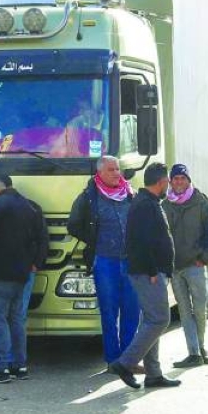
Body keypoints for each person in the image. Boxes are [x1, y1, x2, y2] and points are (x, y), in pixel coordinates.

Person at [107, 163, 180, 390]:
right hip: (148, 272)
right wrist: (151, 271)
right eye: (167, 181)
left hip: (152, 271)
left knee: (151, 320)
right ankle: (125, 363)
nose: (168, 185)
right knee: (160, 319)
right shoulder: (145, 205)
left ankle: (153, 373)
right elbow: (142, 242)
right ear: (161, 182)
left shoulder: (148, 202)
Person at [0, 175, 48, 383]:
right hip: (25, 273)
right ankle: (20, 366)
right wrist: (35, 264)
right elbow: (42, 239)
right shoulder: (32, 207)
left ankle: (1, 369)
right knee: (17, 319)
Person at [68, 155, 139, 370]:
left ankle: (129, 359)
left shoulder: (131, 194)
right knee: (109, 312)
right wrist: (95, 240)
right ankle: (112, 360)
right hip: (104, 261)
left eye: (118, 169)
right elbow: (73, 225)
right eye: (111, 170)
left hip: (131, 261)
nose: (117, 173)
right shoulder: (88, 197)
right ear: (99, 172)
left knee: (132, 309)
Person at [163, 164, 208, 368]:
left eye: (182, 178)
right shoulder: (165, 205)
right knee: (184, 311)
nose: (179, 182)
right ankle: (194, 352)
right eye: (175, 179)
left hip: (195, 265)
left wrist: (204, 258)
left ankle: (200, 346)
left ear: (188, 181)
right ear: (170, 182)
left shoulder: (201, 202)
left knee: (200, 309)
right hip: (175, 267)